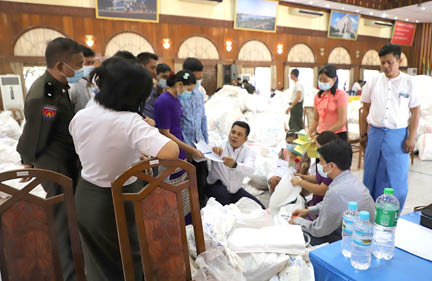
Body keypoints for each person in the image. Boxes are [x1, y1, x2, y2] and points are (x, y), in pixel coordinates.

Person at [69, 57, 179, 281]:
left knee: (97, 258)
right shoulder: (129, 121)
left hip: (86, 194)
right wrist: (148, 130)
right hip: (119, 198)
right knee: (129, 257)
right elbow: (171, 151)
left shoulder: (81, 116)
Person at [16, 37, 83, 281]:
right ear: (61, 64)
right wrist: (28, 159)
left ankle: (75, 266)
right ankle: (68, 274)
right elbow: (36, 133)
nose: (81, 69)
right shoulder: (44, 93)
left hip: (66, 162)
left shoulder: (59, 86)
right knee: (61, 221)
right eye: (78, 64)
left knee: (69, 218)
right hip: (55, 166)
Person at [360, 43, 420, 210]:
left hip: (398, 135)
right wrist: (363, 134)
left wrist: (411, 137)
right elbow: (364, 110)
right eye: (383, 63)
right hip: (375, 133)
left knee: (396, 176)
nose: (386, 66)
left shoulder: (409, 82)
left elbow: (416, 112)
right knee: (371, 173)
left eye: (390, 62)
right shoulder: (373, 81)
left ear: (399, 61)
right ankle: (369, 211)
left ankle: (393, 213)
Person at [289, 139, 375, 246]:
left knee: (295, 234)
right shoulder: (351, 179)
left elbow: (318, 230)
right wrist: (308, 211)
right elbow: (331, 205)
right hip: (363, 232)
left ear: (331, 166)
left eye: (321, 161)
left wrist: (297, 221)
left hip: (353, 240)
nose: (319, 164)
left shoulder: (336, 192)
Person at [154, 70, 204, 182]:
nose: (190, 93)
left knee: (182, 189)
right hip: (168, 152)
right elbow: (165, 133)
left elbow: (177, 126)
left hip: (179, 149)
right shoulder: (164, 101)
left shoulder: (176, 99)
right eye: (189, 90)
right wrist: (191, 149)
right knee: (170, 191)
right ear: (179, 84)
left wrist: (186, 150)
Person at [207, 121, 265, 209]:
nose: (234, 136)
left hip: (235, 190)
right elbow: (204, 150)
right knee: (226, 208)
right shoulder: (218, 145)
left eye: (239, 134)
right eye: (233, 132)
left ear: (245, 139)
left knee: (260, 208)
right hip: (217, 186)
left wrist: (235, 165)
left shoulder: (249, 151)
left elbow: (250, 170)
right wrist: (212, 150)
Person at [181, 57, 209, 207]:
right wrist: (187, 149)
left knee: (201, 181)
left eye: (200, 78)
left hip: (200, 146)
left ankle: (202, 213)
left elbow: (202, 118)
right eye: (196, 78)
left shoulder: (199, 93)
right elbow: (177, 125)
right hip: (185, 149)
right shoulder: (178, 95)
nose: (198, 81)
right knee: (187, 186)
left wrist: (206, 144)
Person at [291, 131, 339, 207]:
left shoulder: (332, 166)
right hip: (317, 201)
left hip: (326, 205)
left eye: (318, 148)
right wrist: (302, 176)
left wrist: (300, 182)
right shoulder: (322, 160)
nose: (316, 150)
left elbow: (321, 190)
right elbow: (319, 178)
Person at [308, 64, 349, 141]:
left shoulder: (340, 95)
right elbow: (316, 119)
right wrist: (308, 133)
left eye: (325, 80)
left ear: (334, 80)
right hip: (321, 134)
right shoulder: (318, 96)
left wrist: (324, 135)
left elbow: (342, 121)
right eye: (320, 80)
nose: (322, 82)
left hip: (336, 135)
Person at [69, 45, 98, 113]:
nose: (91, 66)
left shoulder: (91, 84)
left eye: (92, 63)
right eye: (87, 63)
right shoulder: (72, 86)